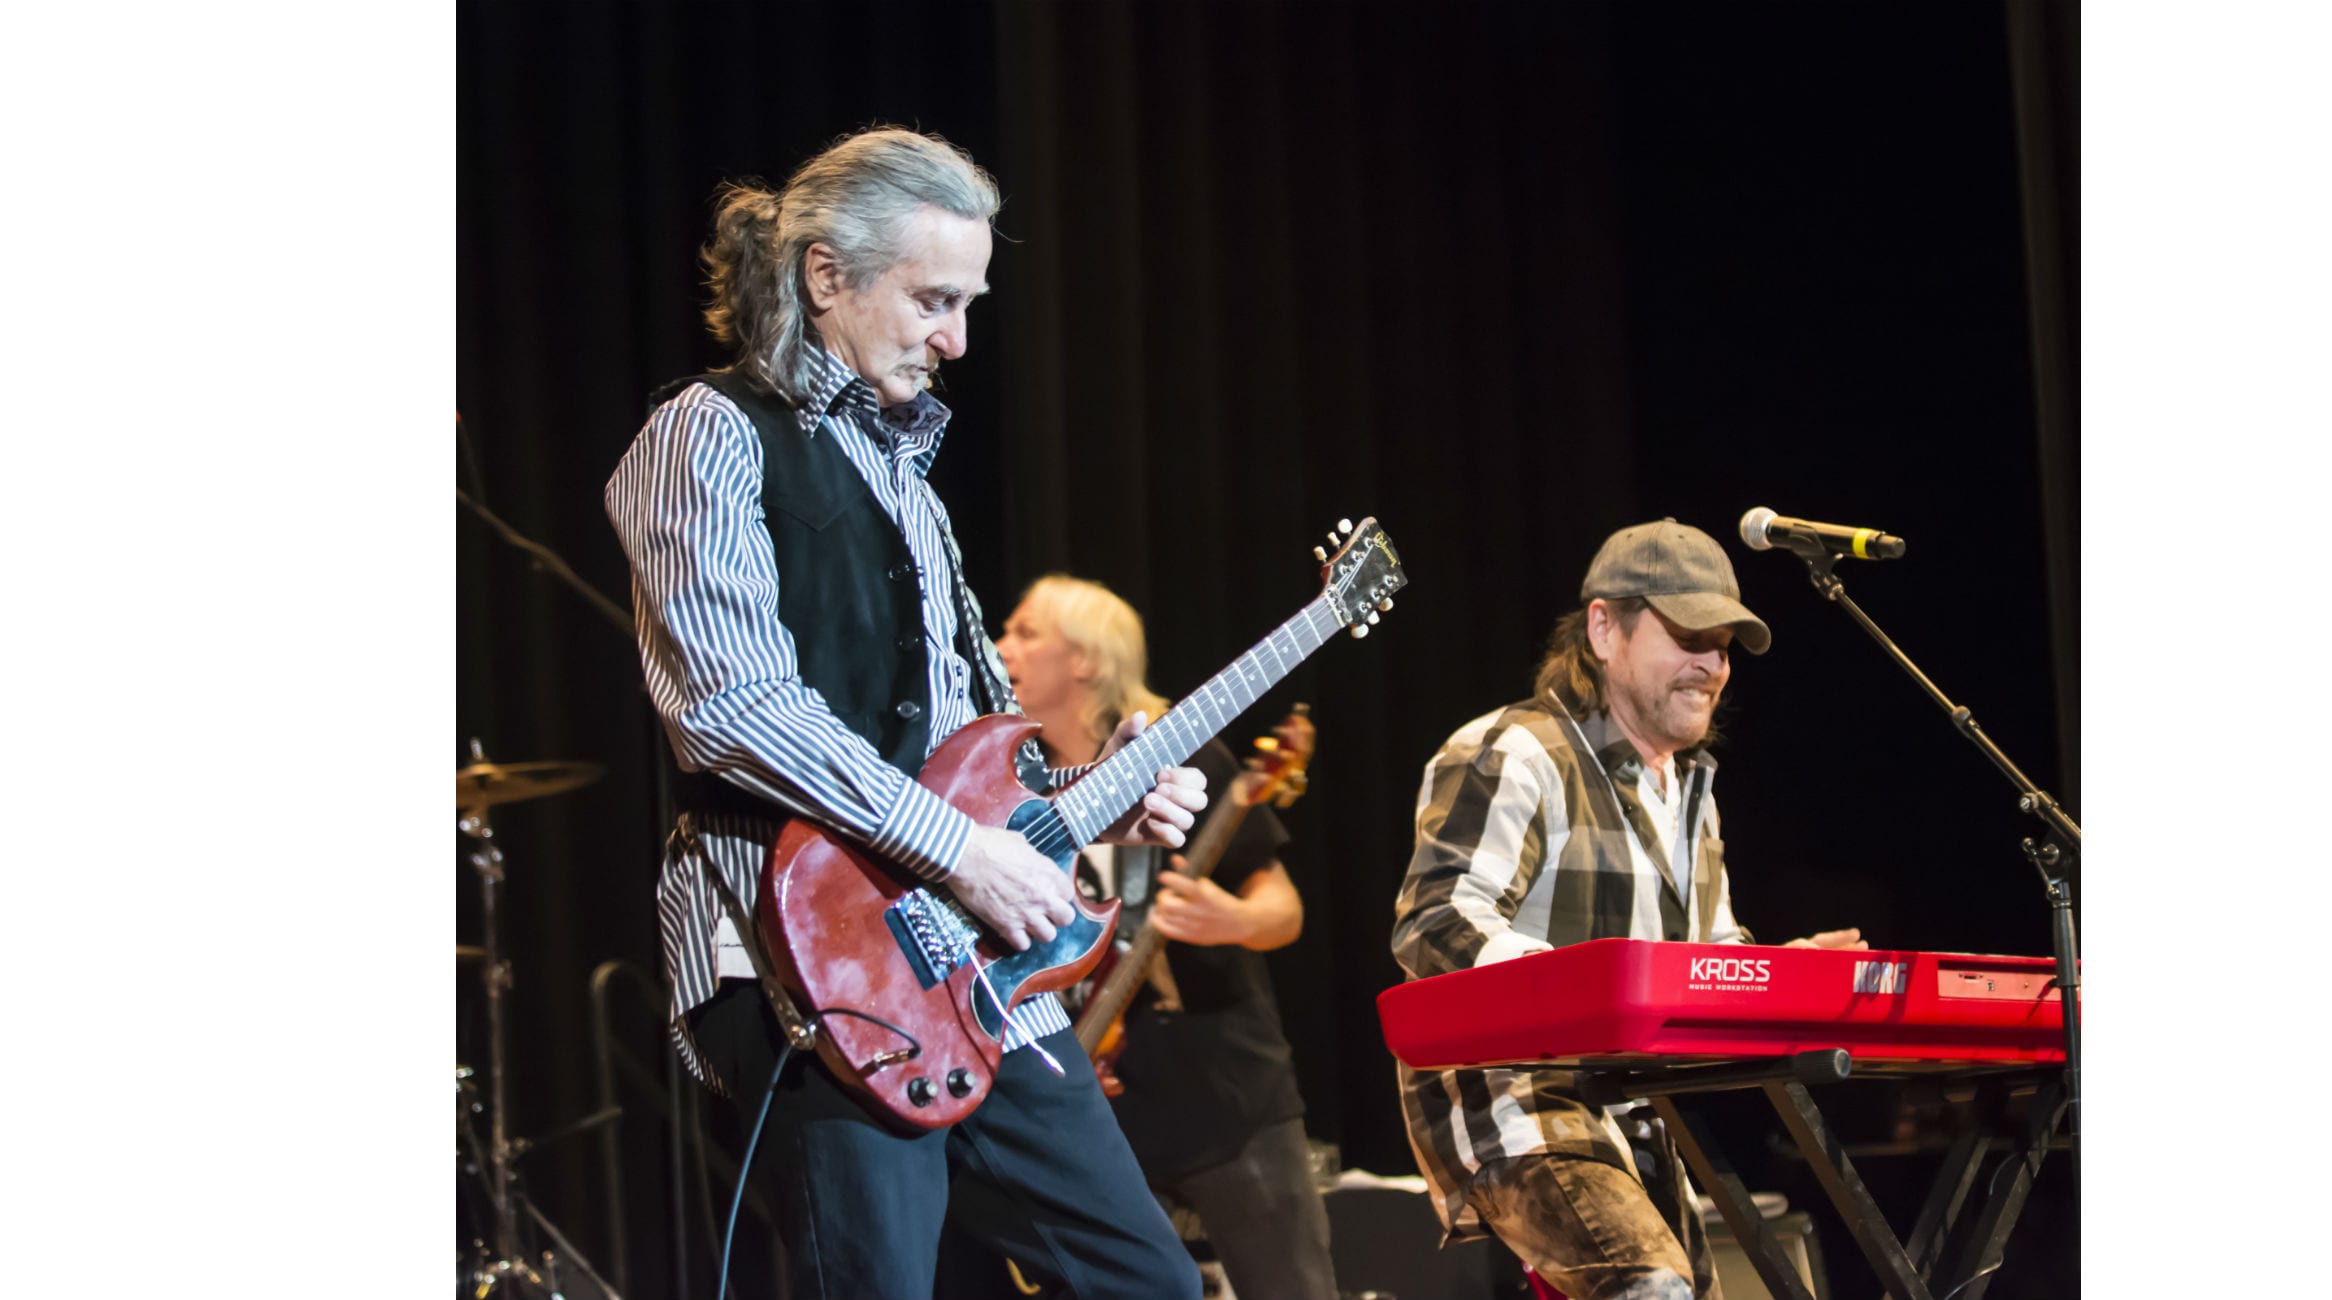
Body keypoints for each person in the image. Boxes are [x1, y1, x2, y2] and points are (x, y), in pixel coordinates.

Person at [603, 127, 1210, 1300]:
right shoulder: (706, 432)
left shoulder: (905, 478)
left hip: (965, 956)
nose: (956, 339)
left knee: (1151, 1283)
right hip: (803, 949)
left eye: (970, 302)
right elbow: (735, 707)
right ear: (826, 277)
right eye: (933, 298)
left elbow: (968, 745)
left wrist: (1089, 799)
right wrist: (963, 853)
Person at [1390, 519, 1868, 1300]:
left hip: (1643, 1113)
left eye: (1723, 646)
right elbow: (1437, 923)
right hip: (1526, 1106)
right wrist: (1590, 992)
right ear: (1604, 629)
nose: (1711, 666)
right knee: (1654, 1290)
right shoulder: (1517, 751)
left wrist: (1782, 978)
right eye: (1688, 637)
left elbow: (1704, 960)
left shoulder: (1691, 792)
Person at [987, 573, 1339, 1300]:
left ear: (1085, 658)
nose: (1000, 645)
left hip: (1223, 1089)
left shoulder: (1176, 757)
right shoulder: (1012, 784)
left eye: (1025, 631)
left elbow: (1283, 904)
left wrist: (1233, 917)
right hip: (1091, 1093)